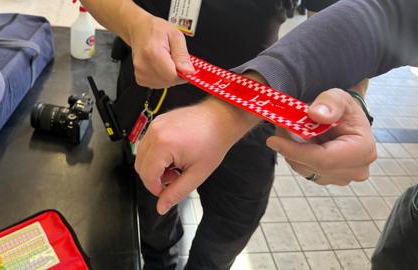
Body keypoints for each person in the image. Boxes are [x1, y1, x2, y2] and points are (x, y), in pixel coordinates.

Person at [133, 0, 418, 269]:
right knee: (153, 208)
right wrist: (133, 23)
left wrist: (351, 96)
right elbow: (389, 13)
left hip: (257, 123)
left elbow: (362, 17)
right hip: (150, 97)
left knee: (233, 223)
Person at [81, 0, 295, 269]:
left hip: (251, 113)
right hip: (155, 98)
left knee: (229, 231)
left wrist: (343, 95)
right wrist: (133, 23)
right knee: (154, 215)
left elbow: (340, 20)